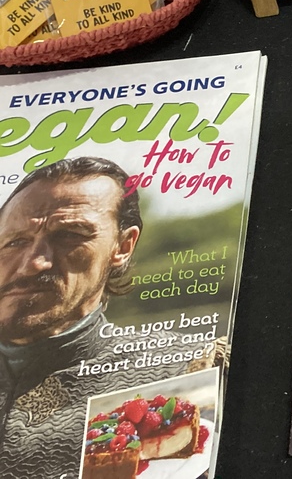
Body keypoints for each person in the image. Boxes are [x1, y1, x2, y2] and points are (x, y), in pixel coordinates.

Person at [0, 157, 193, 476]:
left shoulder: (187, 366)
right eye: (16, 241)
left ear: (123, 246)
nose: (34, 263)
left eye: (69, 235)